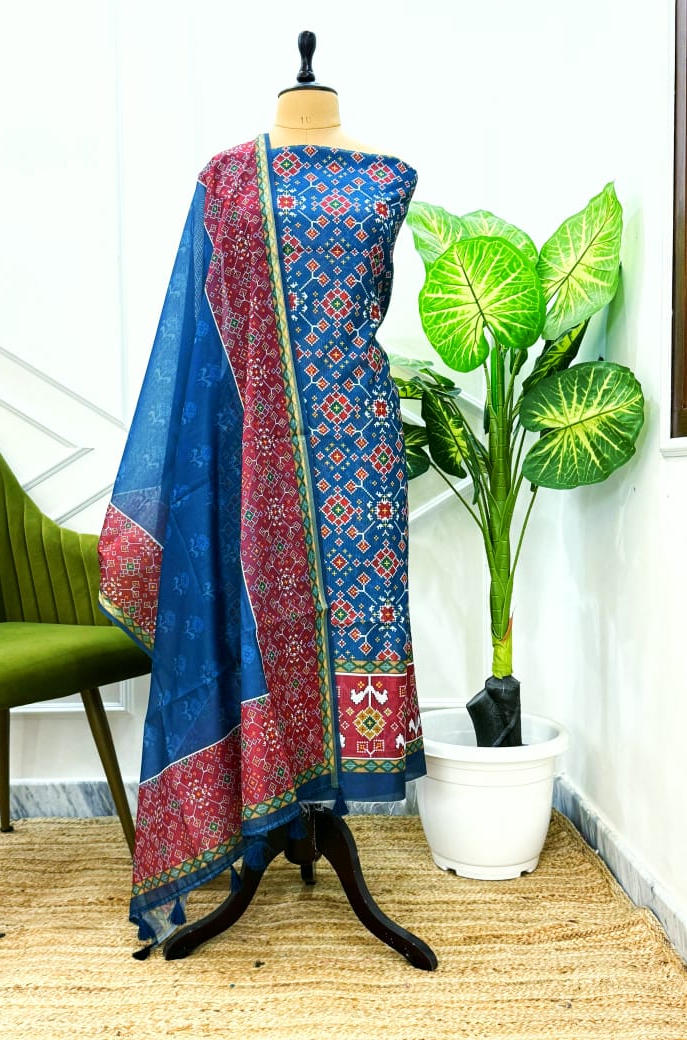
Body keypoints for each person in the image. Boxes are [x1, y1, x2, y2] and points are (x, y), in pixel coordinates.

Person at [98, 71, 424, 951]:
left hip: (357, 461)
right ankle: (268, 810)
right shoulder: (226, 178)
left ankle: (317, 810)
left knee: (344, 629)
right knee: (262, 623)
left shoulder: (391, 176)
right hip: (250, 459)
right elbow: (196, 337)